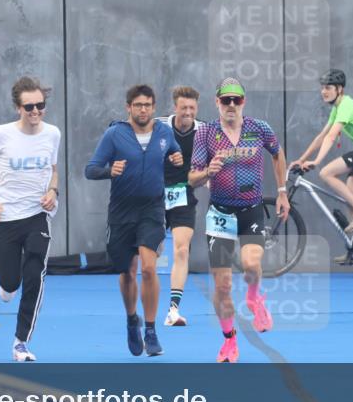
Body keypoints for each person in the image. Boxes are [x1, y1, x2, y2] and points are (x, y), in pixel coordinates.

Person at [189, 78, 289, 363]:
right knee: (222, 286)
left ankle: (255, 297)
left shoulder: (259, 128)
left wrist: (282, 191)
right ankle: (229, 342)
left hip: (251, 210)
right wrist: (208, 171)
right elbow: (192, 179)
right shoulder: (206, 133)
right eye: (226, 100)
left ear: (243, 102)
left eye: (237, 100)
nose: (231, 105)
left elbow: (277, 153)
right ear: (216, 102)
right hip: (220, 213)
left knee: (251, 266)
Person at [85, 84, 182, 357]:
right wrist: (109, 171)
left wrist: (177, 157)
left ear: (153, 107)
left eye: (148, 105)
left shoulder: (163, 132)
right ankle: (132, 320)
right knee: (128, 272)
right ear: (129, 107)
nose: (143, 110)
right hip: (121, 211)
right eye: (138, 105)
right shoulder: (114, 134)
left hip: (152, 209)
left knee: (149, 267)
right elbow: (90, 170)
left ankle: (151, 330)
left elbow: (175, 153)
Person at [0, 77, 60, 362]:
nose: (36, 112)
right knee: (10, 285)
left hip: (38, 215)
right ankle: (1, 262)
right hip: (7, 216)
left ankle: (21, 342)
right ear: (17, 108)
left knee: (35, 275)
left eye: (41, 106)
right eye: (29, 107)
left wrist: (53, 189)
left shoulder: (52, 134)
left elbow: (53, 169)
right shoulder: (0, 134)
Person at [290, 69, 353, 245]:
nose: (323, 91)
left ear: (339, 89)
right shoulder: (337, 108)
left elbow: (331, 136)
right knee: (350, 201)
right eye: (322, 88)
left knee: (326, 173)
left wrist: (317, 162)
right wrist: (302, 159)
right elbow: (321, 136)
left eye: (328, 87)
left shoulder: (346, 106)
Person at [156, 86, 204, 327]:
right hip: (153, 194)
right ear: (175, 107)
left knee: (182, 249)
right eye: (183, 107)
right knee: (149, 253)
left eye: (192, 108)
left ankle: (173, 309)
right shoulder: (158, 125)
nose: (188, 112)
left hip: (183, 194)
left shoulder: (204, 131)